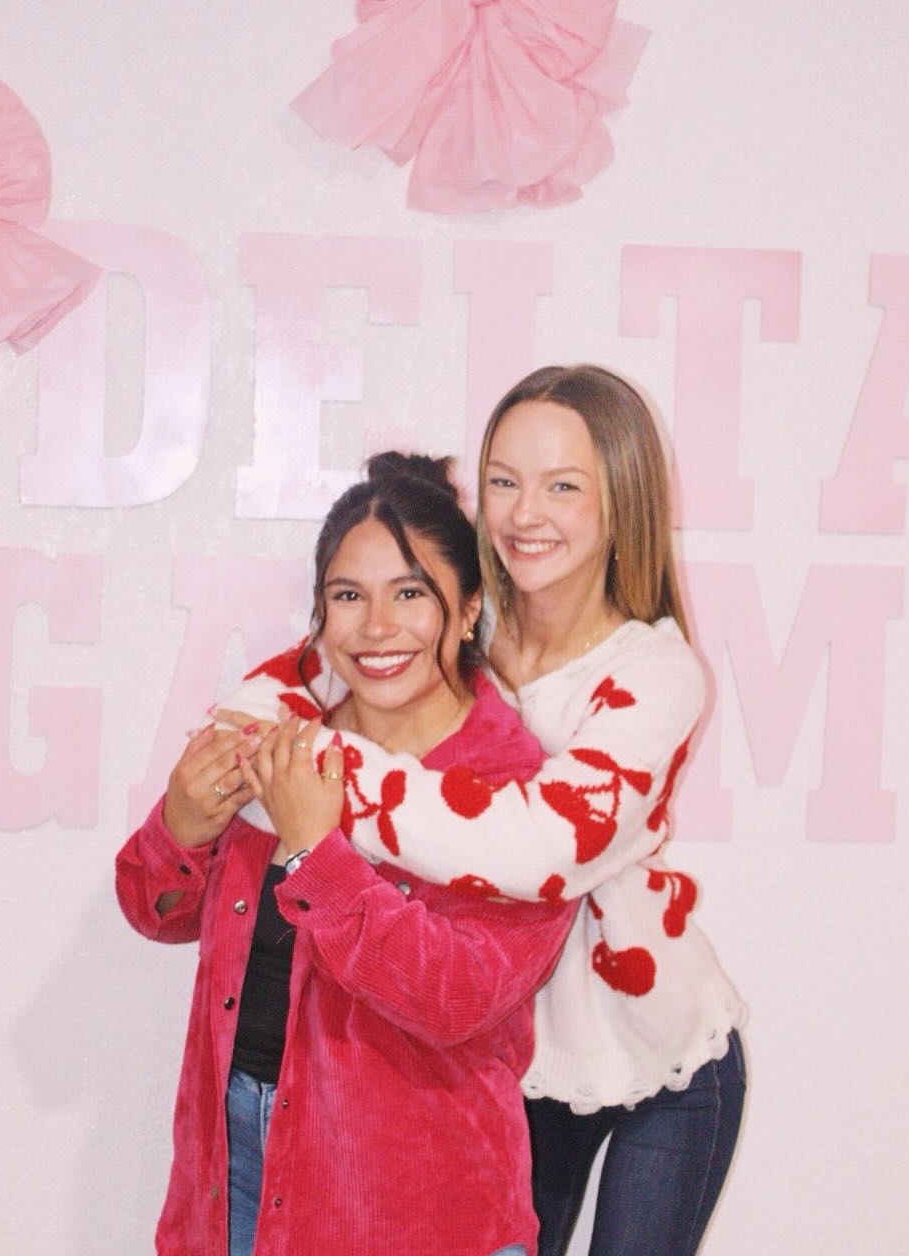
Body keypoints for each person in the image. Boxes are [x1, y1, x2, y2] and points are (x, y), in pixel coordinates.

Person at [223, 366, 747, 1255]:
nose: (523, 513)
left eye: (563, 486)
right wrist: (262, 762)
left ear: (622, 501)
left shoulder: (655, 674)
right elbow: (266, 698)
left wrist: (320, 786)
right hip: (518, 1066)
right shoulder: (468, 621)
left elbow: (534, 845)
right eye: (504, 480)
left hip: (665, 1059)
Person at [116, 452, 576, 1256]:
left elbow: (457, 998)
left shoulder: (517, 793)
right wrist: (180, 825)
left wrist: (317, 849)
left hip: (417, 1210)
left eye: (411, 594)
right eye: (348, 597)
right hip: (235, 1170)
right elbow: (160, 912)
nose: (375, 628)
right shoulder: (285, 740)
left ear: (469, 609)